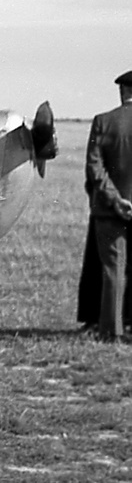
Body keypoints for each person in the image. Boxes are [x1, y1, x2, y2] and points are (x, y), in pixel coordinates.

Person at [84, 70, 132, 341]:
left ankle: (110, 331)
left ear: (122, 91)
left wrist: (117, 200)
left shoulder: (103, 121)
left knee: (113, 269)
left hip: (109, 210)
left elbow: (95, 167)